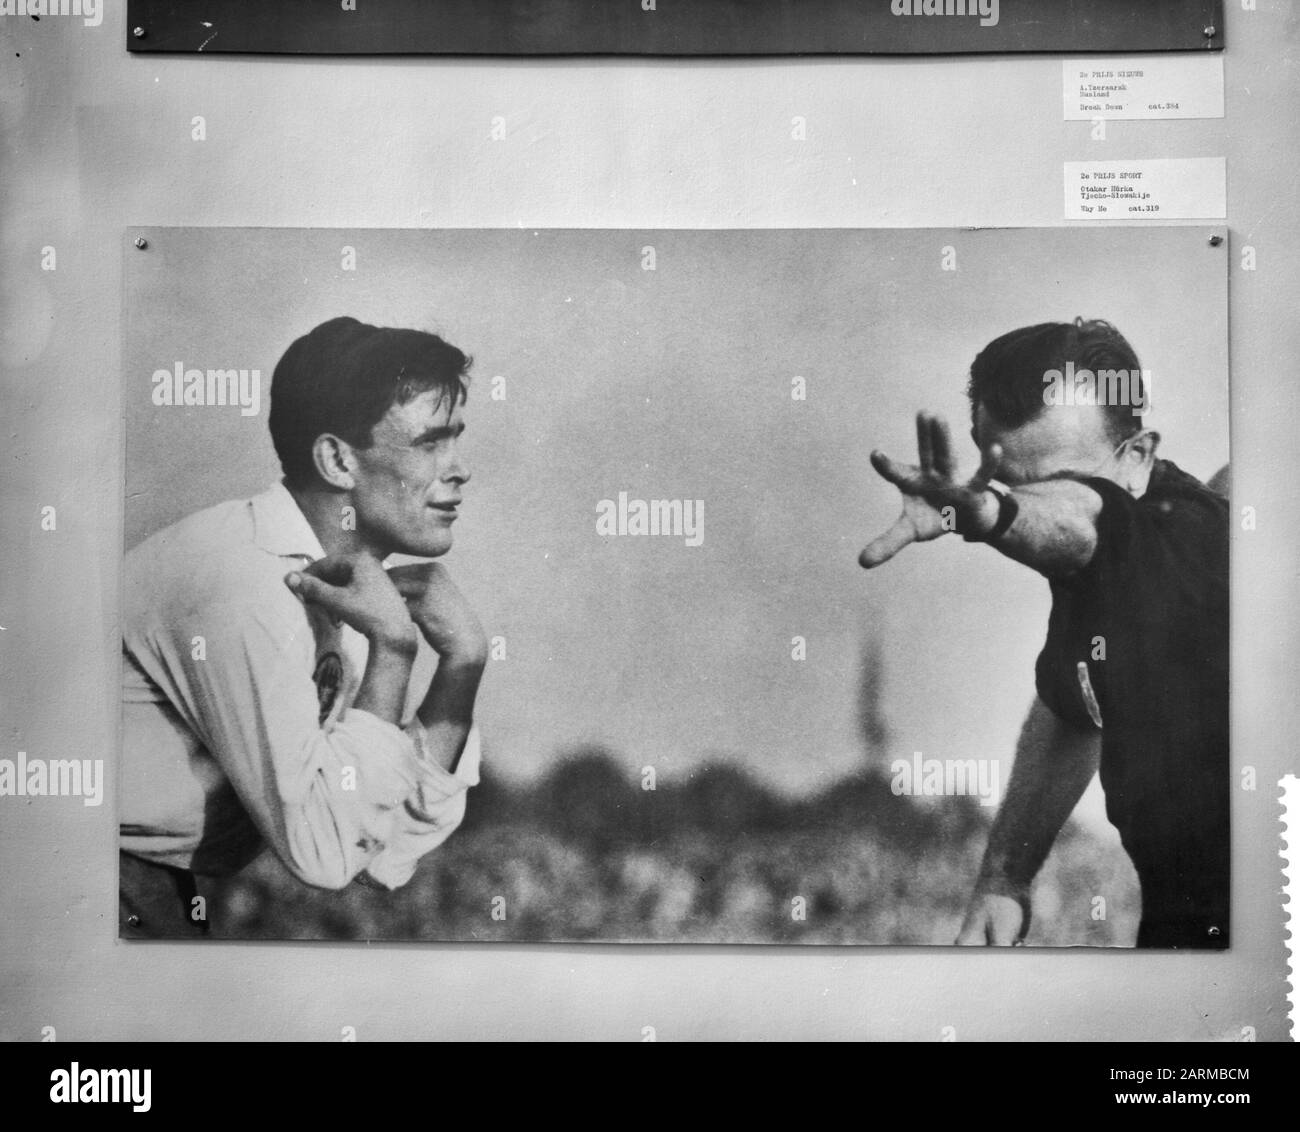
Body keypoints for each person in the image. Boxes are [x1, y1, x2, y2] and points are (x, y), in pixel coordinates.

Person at [859, 319, 1228, 949]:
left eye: (1066, 479)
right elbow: (1072, 706)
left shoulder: (1192, 541)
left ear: (1137, 458)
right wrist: (1005, 878)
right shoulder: (1098, 582)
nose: (1039, 499)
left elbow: (1081, 518)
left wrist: (990, 512)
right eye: (1008, 480)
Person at [120, 316, 489, 937]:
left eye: (454, 441)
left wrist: (462, 666)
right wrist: (394, 651)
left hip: (160, 893)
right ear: (337, 460)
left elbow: (379, 847)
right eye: (430, 443)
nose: (458, 470)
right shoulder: (245, 580)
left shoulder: (333, 579)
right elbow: (325, 852)